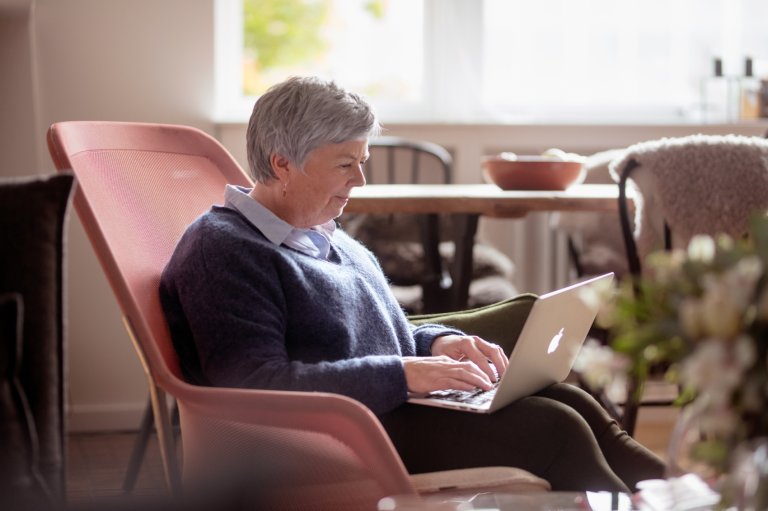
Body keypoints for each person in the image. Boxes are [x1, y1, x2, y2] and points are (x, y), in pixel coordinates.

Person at [159, 76, 665, 492]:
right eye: (345, 164)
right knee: (553, 428)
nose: (360, 181)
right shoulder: (224, 249)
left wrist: (438, 342)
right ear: (282, 163)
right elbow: (254, 385)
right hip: (325, 438)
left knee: (569, 400)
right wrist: (405, 374)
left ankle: (692, 499)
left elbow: (385, 333)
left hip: (383, 411)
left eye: (363, 162)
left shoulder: (327, 237)